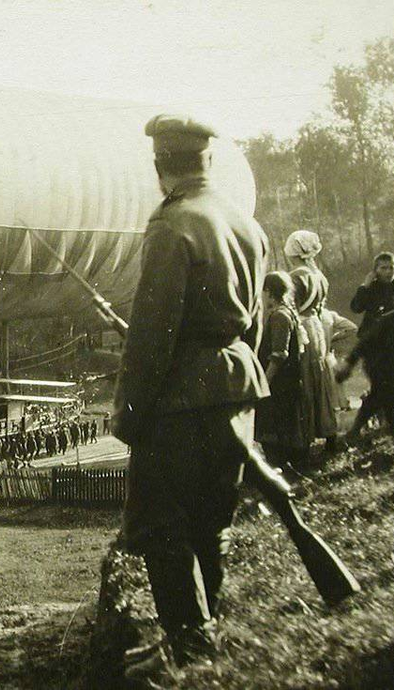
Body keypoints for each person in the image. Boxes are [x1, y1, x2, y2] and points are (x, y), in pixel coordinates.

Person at [114, 115, 269, 671]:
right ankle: (199, 640)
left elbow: (152, 333)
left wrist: (129, 414)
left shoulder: (172, 224)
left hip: (181, 400)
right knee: (212, 520)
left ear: (161, 167)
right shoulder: (245, 223)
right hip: (237, 387)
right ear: (208, 161)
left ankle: (187, 644)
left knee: (161, 524)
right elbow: (255, 325)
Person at [255, 272, 312, 467]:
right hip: (286, 381)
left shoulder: (280, 316)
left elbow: (279, 354)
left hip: (280, 383)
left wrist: (264, 382)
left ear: (269, 292)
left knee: (275, 427)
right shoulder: (285, 312)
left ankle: (281, 467)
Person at [337, 281, 394, 440]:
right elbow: (364, 343)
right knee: (391, 394)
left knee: (382, 397)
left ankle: (361, 430)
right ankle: (393, 427)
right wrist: (349, 364)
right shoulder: (387, 321)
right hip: (379, 365)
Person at [290, 269, 340, 443]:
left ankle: (308, 434)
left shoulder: (302, 317)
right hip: (314, 329)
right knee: (318, 381)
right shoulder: (313, 314)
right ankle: (327, 431)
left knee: (308, 383)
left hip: (308, 333)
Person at [350, 252, 394, 338]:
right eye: (383, 268)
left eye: (391, 268)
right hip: (371, 333)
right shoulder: (370, 287)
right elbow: (356, 308)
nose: (388, 271)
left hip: (392, 334)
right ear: (375, 271)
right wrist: (365, 286)